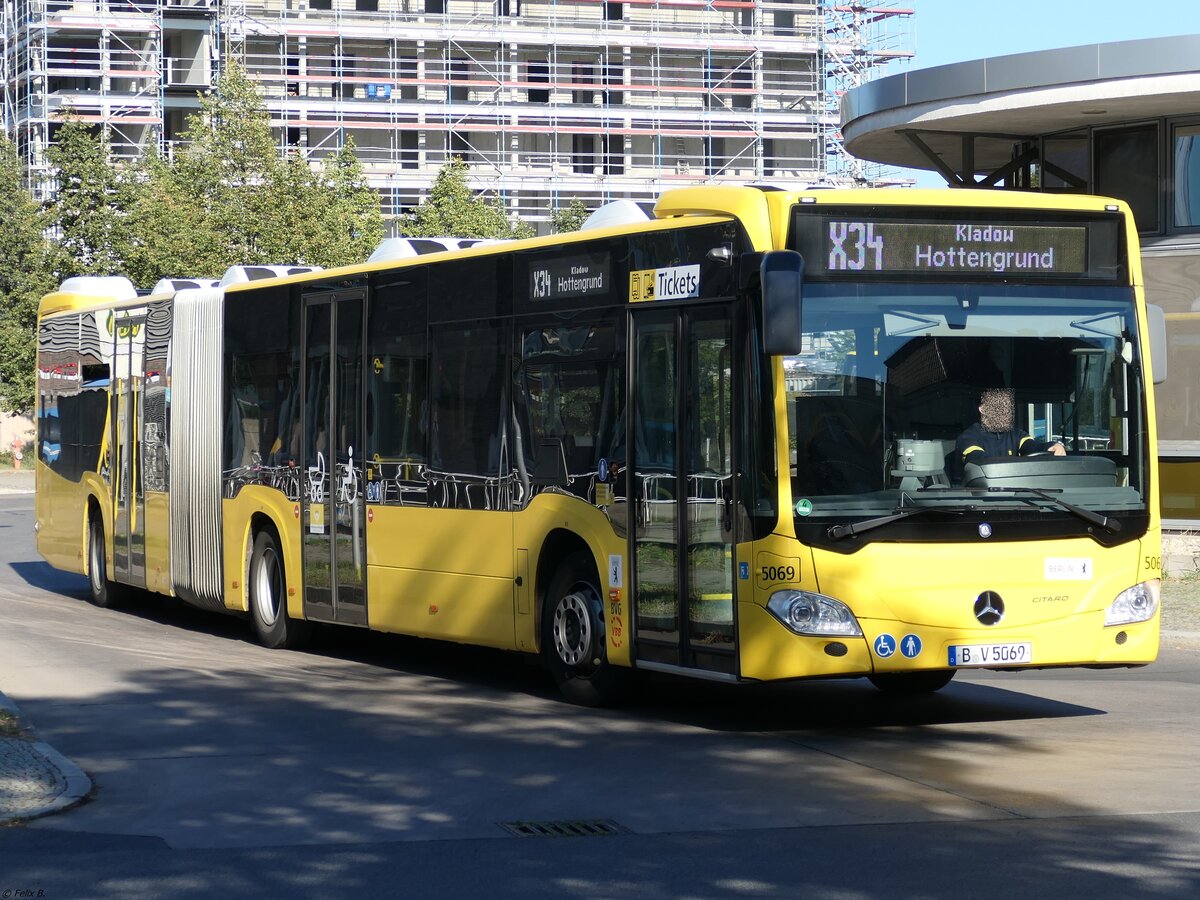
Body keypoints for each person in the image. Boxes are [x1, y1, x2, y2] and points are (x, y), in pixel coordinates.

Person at [955, 387, 1065, 470]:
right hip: (979, 496)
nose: (1005, 411)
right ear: (982, 409)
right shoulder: (968, 437)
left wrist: (1053, 446)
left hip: (1015, 495)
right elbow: (980, 460)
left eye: (1007, 406)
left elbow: (1032, 446)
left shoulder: (1017, 435)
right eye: (999, 405)